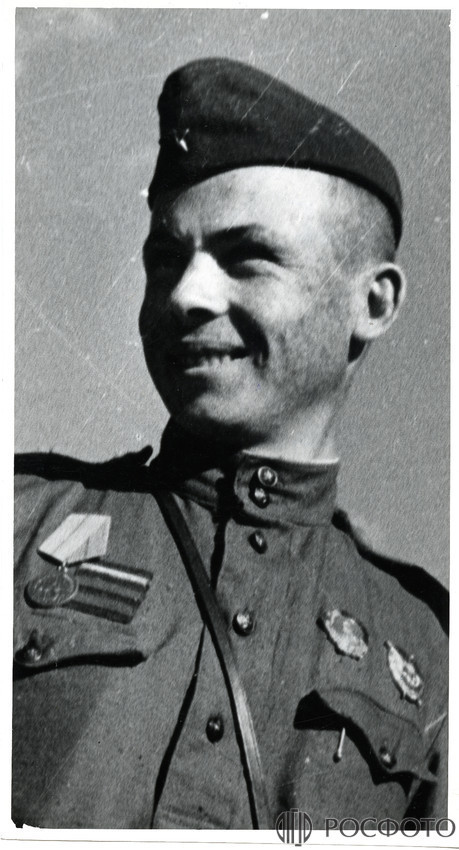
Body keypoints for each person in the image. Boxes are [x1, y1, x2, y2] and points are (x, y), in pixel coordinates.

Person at [13, 57, 448, 830]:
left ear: (373, 302)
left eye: (246, 256)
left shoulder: (430, 645)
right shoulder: (22, 522)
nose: (185, 294)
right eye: (164, 259)